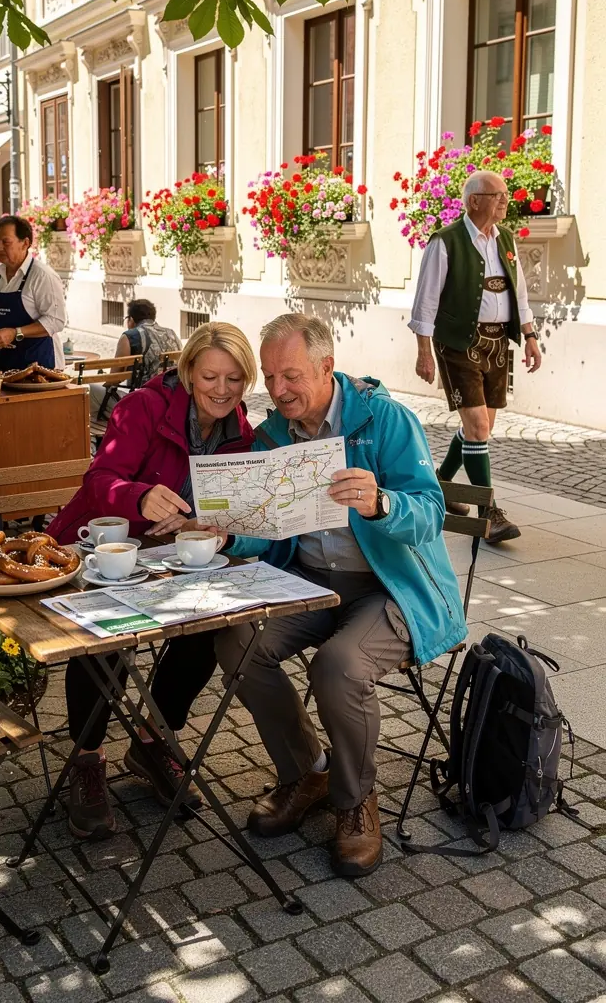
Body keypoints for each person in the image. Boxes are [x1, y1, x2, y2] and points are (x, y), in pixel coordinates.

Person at [210, 314, 464, 878]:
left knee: (340, 666)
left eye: (290, 376)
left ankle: (355, 801)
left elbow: (431, 512)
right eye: (270, 378)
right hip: (306, 580)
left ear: (327, 368)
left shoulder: (384, 419)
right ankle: (307, 772)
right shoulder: (276, 431)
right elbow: (272, 522)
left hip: (389, 585)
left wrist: (383, 505)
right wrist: (231, 532)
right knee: (236, 641)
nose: (277, 391)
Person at [45, 322, 258, 840]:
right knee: (106, 642)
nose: (222, 389)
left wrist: (210, 525)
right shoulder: (143, 407)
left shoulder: (242, 431)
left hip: (173, 557)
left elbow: (228, 506)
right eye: (210, 376)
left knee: (211, 627)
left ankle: (150, 740)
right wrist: (139, 497)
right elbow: (99, 482)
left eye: (234, 378)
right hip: (107, 548)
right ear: (189, 372)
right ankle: (88, 761)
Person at [409, 170, 543, 543]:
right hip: (458, 343)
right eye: (497, 194)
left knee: (480, 428)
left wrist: (530, 337)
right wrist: (424, 352)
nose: (504, 200)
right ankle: (489, 513)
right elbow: (426, 301)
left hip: (498, 343)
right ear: (473, 201)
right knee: (479, 428)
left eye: (505, 194)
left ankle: (442, 484)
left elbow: (520, 296)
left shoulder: (506, 240)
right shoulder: (446, 241)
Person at [0, 215, 66, 372]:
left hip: (40, 366)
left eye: (6, 242)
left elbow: (56, 321)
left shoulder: (42, 275)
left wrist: (16, 333)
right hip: (4, 364)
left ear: (25, 243)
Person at [90, 299, 181, 425]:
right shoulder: (172, 334)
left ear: (131, 319)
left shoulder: (130, 336)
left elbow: (113, 379)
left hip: (141, 404)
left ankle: (100, 435)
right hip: (171, 401)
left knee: (90, 391)